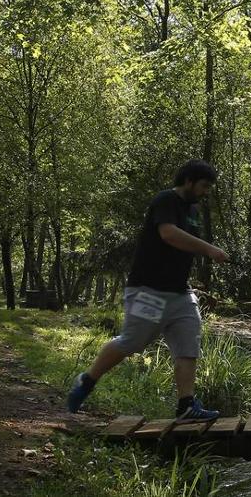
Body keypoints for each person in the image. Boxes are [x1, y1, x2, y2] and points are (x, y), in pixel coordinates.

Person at [66, 159, 230, 419]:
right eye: (203, 185)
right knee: (132, 342)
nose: (206, 191)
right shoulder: (165, 200)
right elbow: (169, 234)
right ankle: (86, 381)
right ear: (188, 181)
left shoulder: (193, 211)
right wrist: (208, 248)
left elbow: (184, 245)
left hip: (180, 293)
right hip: (148, 290)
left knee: (189, 343)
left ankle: (186, 405)